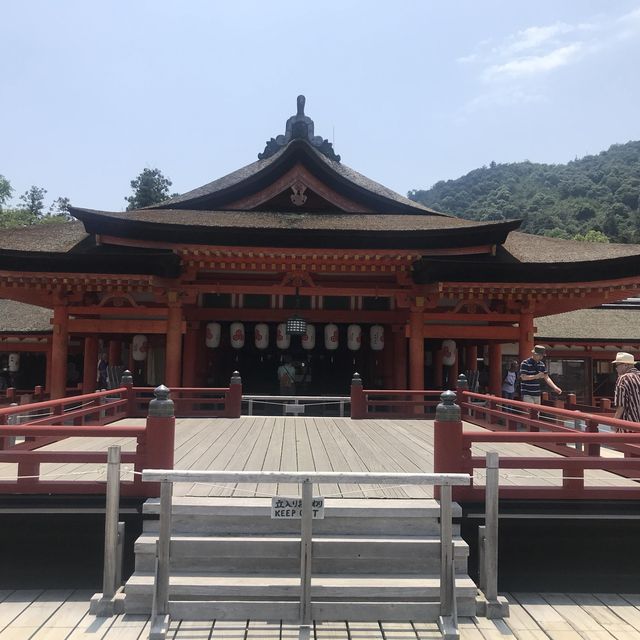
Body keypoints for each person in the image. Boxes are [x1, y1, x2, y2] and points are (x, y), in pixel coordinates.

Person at [612, 352, 640, 430]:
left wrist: (614, 422)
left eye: (617, 365)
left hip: (628, 426)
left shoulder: (623, 378)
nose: (616, 368)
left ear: (625, 365)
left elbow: (621, 405)